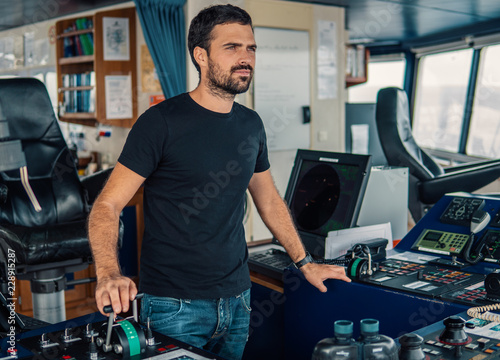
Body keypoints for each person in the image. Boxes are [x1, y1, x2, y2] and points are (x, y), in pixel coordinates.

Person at [87, 4, 351, 360]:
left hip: (238, 301)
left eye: (251, 48)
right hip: (172, 306)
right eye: (232, 47)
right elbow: (107, 205)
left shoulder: (251, 125)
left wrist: (305, 262)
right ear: (201, 55)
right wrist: (108, 274)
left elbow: (268, 199)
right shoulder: (160, 123)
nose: (246, 58)